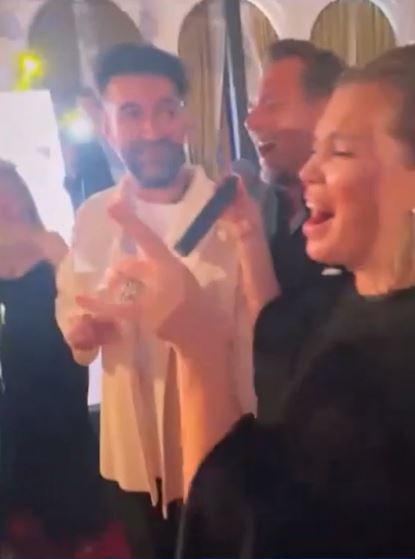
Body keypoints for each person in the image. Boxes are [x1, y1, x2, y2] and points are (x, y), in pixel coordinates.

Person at [95, 42, 415, 557]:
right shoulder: (340, 295)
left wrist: (197, 348)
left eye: (341, 152)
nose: (310, 170)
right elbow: (284, 346)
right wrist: (249, 236)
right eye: (317, 148)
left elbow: (240, 532)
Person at [55, 43, 278, 558]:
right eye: (131, 114)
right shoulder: (95, 216)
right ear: (107, 126)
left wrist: (248, 242)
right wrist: (81, 331)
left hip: (218, 432)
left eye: (166, 110)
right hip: (131, 443)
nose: (152, 130)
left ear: (185, 118)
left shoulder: (228, 211)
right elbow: (73, 301)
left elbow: (267, 326)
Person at [0, 161, 112, 557]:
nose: (5, 200)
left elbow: (79, 290)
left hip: (58, 350)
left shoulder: (48, 240)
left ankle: (81, 526)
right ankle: (43, 524)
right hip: (16, 354)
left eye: (10, 191)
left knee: (67, 431)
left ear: (23, 195)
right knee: (26, 432)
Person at [247, 40, 352, 422]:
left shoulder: (354, 226)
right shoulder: (259, 206)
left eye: (273, 105)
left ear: (327, 111)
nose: (252, 122)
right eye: (253, 106)